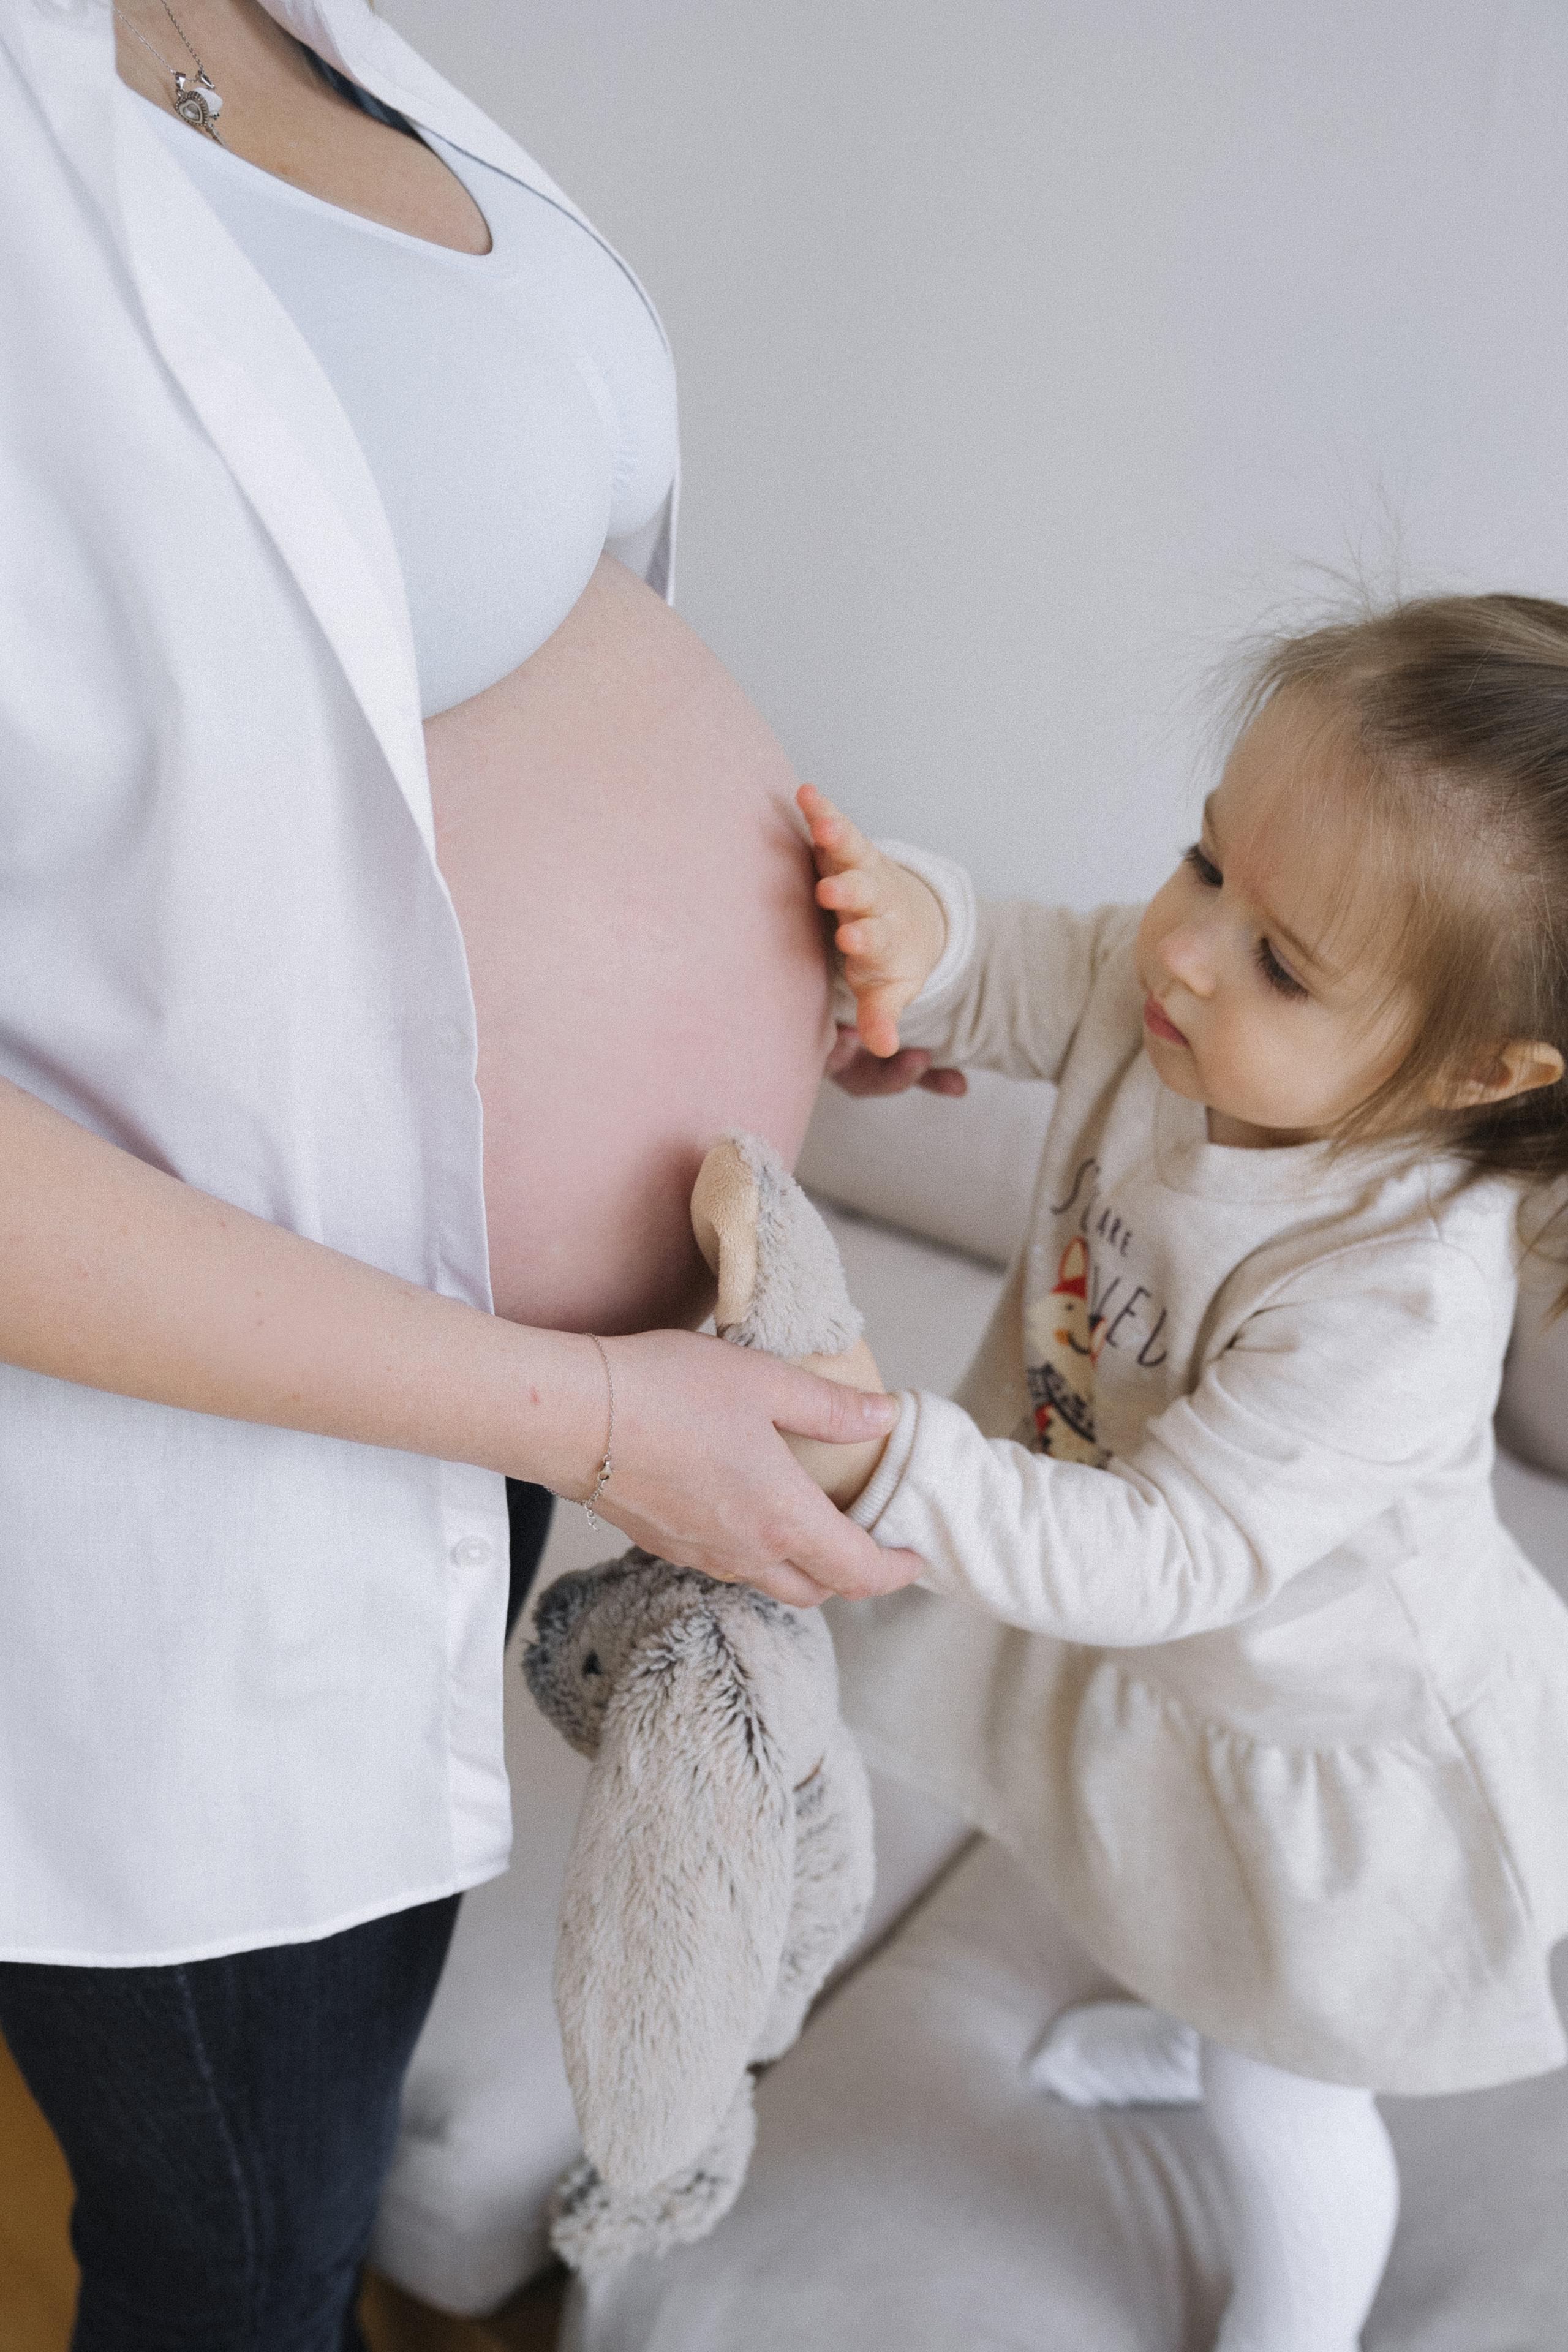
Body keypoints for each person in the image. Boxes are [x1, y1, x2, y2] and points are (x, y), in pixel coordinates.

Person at [0, 2, 917, 2344]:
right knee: (247, 2248)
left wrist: (805, 961)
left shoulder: (288, 20)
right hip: (168, 1498)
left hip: (463, 1405)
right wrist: (600, 1423)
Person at [797, 594, 1568, 2351]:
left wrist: (891, 1453)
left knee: (1282, 2104)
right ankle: (1202, 1999)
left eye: (1286, 959)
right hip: (1181, 1670)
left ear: (1475, 1074)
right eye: (1201, 860)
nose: (1191, 951)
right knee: (1149, 1894)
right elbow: (1019, 961)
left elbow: (1168, 1556)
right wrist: (912, 917)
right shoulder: (1175, 1014)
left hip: (1322, 1726)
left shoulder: (1396, 1293)